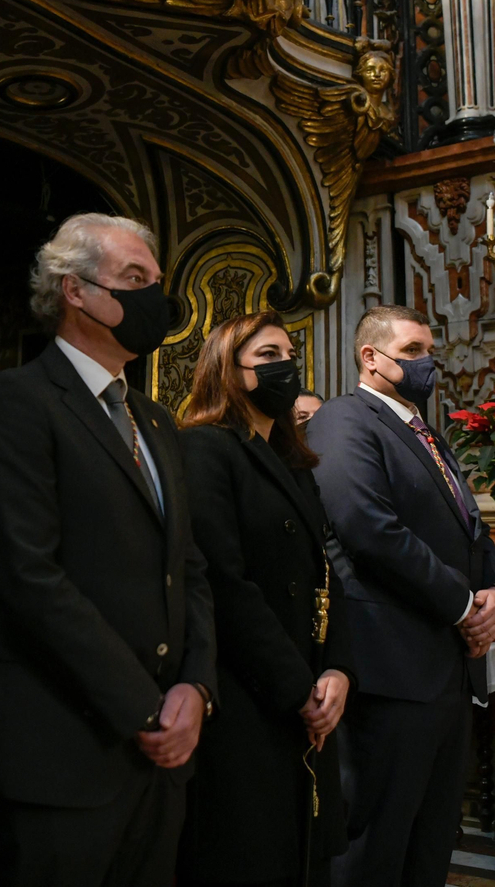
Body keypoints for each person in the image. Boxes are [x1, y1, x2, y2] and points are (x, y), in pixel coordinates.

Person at [0, 213, 216, 887]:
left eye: (156, 282)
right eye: (134, 279)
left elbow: (187, 563)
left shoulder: (155, 419)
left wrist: (196, 685)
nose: (155, 298)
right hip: (59, 754)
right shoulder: (12, 402)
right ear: (74, 289)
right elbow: (28, 576)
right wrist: (144, 705)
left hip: (162, 756)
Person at [304, 305, 495, 887]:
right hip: (392, 670)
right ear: (371, 357)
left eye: (429, 350)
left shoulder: (424, 431)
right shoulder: (346, 420)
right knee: (376, 846)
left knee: (431, 843)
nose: (428, 363)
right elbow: (366, 526)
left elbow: (471, 528)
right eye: (414, 351)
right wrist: (464, 604)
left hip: (445, 672)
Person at [174, 311, 354, 887]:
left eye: (289, 354)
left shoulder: (291, 458)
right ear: (229, 371)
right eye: (268, 357)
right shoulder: (205, 449)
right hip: (249, 695)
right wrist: (297, 686)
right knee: (251, 856)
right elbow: (225, 583)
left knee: (306, 857)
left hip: (309, 687)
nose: (286, 367)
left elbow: (326, 571)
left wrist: (338, 673)